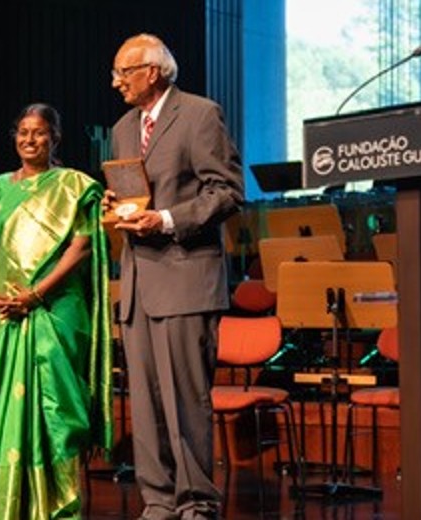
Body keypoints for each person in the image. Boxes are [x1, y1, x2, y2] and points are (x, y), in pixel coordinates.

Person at [106, 33, 244, 520]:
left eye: (124, 71)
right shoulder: (124, 127)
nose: (115, 81)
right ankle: (159, 499)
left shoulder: (200, 114)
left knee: (186, 400)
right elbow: (133, 190)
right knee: (145, 405)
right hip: (139, 283)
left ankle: (196, 501)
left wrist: (165, 219)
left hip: (185, 277)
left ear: (154, 72)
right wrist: (118, 208)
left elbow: (226, 191)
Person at [0, 104, 114, 519]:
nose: (30, 139)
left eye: (39, 132)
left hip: (57, 311)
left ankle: (60, 504)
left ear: (55, 138)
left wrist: (37, 293)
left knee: (58, 409)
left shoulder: (75, 186)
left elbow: (81, 248)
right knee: (5, 405)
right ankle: (9, 503)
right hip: (6, 313)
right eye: (23, 132)